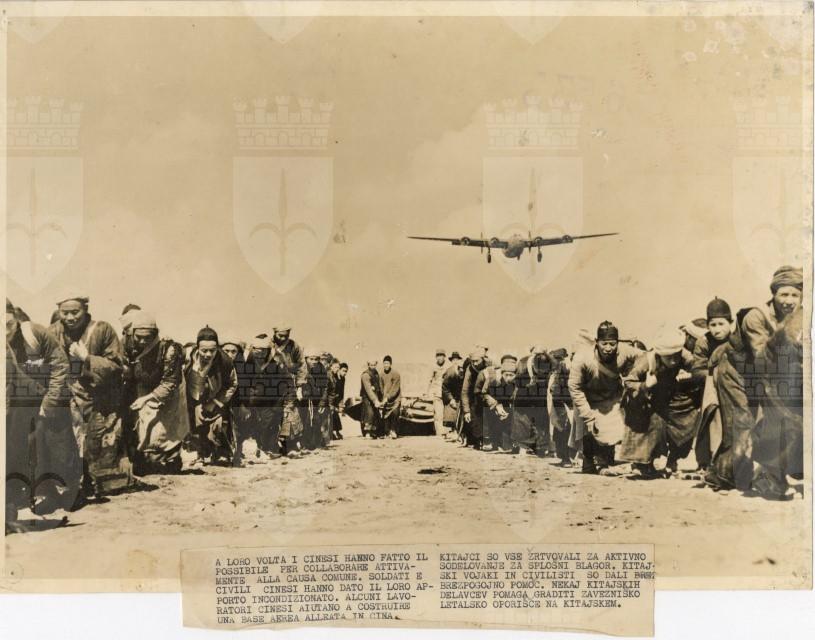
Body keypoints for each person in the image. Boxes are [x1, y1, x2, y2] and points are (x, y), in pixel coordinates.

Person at [709, 266, 804, 498]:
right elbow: (763, 357)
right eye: (784, 294)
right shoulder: (756, 316)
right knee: (742, 421)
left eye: (795, 295)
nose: (789, 301)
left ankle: (760, 474)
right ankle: (727, 475)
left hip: (766, 373)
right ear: (773, 294)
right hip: (736, 371)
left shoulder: (800, 317)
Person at [49, 295, 127, 498]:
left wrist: (87, 358)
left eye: (75, 312)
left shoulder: (102, 330)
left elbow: (117, 366)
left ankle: (95, 483)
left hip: (98, 399)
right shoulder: (52, 332)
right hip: (66, 397)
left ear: (85, 309)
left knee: (96, 445)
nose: (70, 317)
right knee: (67, 443)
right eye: (65, 313)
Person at [6, 299, 76, 526]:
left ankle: (66, 492)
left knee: (58, 448)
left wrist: (50, 401)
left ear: (15, 318)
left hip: (51, 396)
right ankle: (29, 497)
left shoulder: (35, 333)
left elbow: (60, 366)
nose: (5, 330)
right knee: (23, 450)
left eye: (8, 324)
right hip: (20, 401)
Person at [620, 328, 697, 478]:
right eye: (669, 358)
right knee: (653, 424)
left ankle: (673, 459)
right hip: (643, 400)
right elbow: (628, 382)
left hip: (668, 396)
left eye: (676, 357)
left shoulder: (684, 355)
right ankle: (643, 464)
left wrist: (690, 376)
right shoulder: (646, 361)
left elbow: (697, 369)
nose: (673, 361)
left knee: (687, 420)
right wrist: (645, 385)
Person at [568, 321, 642, 475]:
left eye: (612, 344)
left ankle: (605, 462)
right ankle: (589, 462)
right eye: (604, 344)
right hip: (587, 398)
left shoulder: (625, 351)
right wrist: (588, 416)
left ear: (617, 343)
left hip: (611, 397)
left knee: (612, 428)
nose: (608, 348)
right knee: (588, 428)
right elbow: (575, 388)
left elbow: (648, 357)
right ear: (597, 342)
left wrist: (634, 375)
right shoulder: (582, 358)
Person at [121, 310, 187, 475]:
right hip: (140, 389)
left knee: (163, 431)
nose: (143, 341)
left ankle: (170, 460)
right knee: (138, 428)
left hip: (166, 393)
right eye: (139, 337)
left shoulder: (168, 349)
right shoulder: (127, 343)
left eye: (148, 337)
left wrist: (147, 398)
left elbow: (170, 382)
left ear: (155, 333)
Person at [183, 326, 238, 466]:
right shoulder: (188, 358)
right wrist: (196, 404)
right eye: (204, 350)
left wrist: (215, 402)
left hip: (216, 397)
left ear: (217, 348)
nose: (208, 354)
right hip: (191, 397)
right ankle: (199, 454)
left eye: (212, 351)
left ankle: (221, 453)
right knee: (194, 425)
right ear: (197, 348)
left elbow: (232, 384)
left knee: (220, 425)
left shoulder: (225, 362)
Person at [691, 298, 734, 472]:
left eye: (721, 324)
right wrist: (716, 375)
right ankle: (705, 463)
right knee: (708, 419)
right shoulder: (703, 342)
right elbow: (697, 370)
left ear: (730, 323)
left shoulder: (738, 340)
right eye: (712, 324)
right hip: (711, 389)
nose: (717, 329)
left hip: (734, 389)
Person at [233, 335, 285, 464]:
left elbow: (280, 385)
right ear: (252, 349)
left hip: (268, 401)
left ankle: (265, 448)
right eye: (257, 349)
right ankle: (240, 450)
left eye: (264, 350)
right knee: (245, 426)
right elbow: (241, 384)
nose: (260, 353)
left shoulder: (274, 364)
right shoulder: (245, 363)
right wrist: (243, 403)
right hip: (249, 401)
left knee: (268, 424)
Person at [270, 324, 307, 456]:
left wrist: (300, 386)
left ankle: (290, 446)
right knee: (273, 415)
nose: (283, 338)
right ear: (274, 333)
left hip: (289, 384)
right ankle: (272, 447)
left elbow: (302, 365)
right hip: (271, 385)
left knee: (290, 414)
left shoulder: (294, 346)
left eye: (286, 336)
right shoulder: (268, 345)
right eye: (280, 335)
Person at [514, 345, 556, 456]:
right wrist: (528, 385)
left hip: (541, 395)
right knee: (523, 420)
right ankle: (523, 446)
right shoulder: (523, 363)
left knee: (542, 419)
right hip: (524, 395)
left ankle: (542, 446)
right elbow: (517, 382)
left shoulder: (551, 362)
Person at [481, 354, 520, 453]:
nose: (508, 378)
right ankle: (488, 441)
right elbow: (484, 393)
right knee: (488, 416)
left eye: (511, 375)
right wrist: (496, 405)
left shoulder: (517, 383)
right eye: (506, 375)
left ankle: (510, 442)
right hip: (490, 402)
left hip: (506, 404)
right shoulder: (492, 378)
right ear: (502, 374)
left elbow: (514, 399)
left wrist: (508, 411)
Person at [460, 347, 492, 449]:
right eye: (473, 361)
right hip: (473, 395)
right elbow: (465, 391)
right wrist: (466, 411)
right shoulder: (469, 369)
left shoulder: (490, 365)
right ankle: (478, 439)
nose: (475, 363)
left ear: (482, 359)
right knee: (474, 415)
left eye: (477, 361)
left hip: (487, 393)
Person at [547, 348, 574, 467]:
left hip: (564, 405)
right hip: (561, 404)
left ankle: (567, 458)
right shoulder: (556, 371)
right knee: (562, 429)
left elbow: (558, 390)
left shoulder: (563, 369)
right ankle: (567, 457)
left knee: (564, 429)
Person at [302, 347, 329, 450]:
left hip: (316, 398)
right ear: (306, 358)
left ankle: (316, 442)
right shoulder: (301, 368)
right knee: (304, 420)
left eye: (316, 359)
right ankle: (304, 443)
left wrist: (322, 402)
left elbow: (324, 387)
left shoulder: (321, 368)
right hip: (303, 399)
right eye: (311, 359)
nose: (314, 362)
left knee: (316, 419)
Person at [321, 359, 347, 443]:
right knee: (326, 419)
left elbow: (341, 392)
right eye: (335, 367)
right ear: (331, 366)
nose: (337, 369)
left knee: (332, 416)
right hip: (326, 400)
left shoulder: (337, 377)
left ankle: (333, 433)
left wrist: (340, 404)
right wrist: (330, 405)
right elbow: (327, 391)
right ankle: (327, 436)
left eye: (338, 367)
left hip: (333, 399)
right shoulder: (328, 376)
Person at [441, 353, 464, 439]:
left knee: (459, 416)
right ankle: (451, 432)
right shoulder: (449, 372)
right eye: (453, 360)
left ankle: (458, 433)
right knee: (451, 416)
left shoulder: (462, 370)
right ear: (451, 361)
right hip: (451, 396)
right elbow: (445, 387)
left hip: (460, 397)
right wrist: (450, 399)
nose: (455, 361)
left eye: (457, 359)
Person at [427, 349, 448, 436]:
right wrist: (427, 392)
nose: (439, 358)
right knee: (438, 414)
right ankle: (439, 432)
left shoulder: (448, 367)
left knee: (446, 413)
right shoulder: (433, 367)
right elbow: (429, 380)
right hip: (437, 393)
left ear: (444, 357)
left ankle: (447, 431)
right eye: (438, 356)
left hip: (447, 393)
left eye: (441, 356)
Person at [360, 359, 383, 437]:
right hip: (367, 398)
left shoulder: (376, 374)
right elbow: (368, 389)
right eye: (371, 365)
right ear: (368, 365)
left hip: (375, 397)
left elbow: (379, 386)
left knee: (376, 414)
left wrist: (380, 398)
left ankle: (374, 431)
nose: (373, 366)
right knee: (369, 413)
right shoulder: (365, 375)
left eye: (374, 365)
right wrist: (375, 400)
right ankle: (367, 432)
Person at [380, 355, 402, 439]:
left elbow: (395, 389)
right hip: (386, 399)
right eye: (384, 363)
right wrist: (383, 398)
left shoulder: (396, 374)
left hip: (395, 399)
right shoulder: (381, 374)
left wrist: (388, 397)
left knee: (395, 414)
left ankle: (393, 431)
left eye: (387, 363)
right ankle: (388, 432)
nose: (386, 365)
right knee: (385, 416)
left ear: (390, 364)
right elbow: (381, 387)